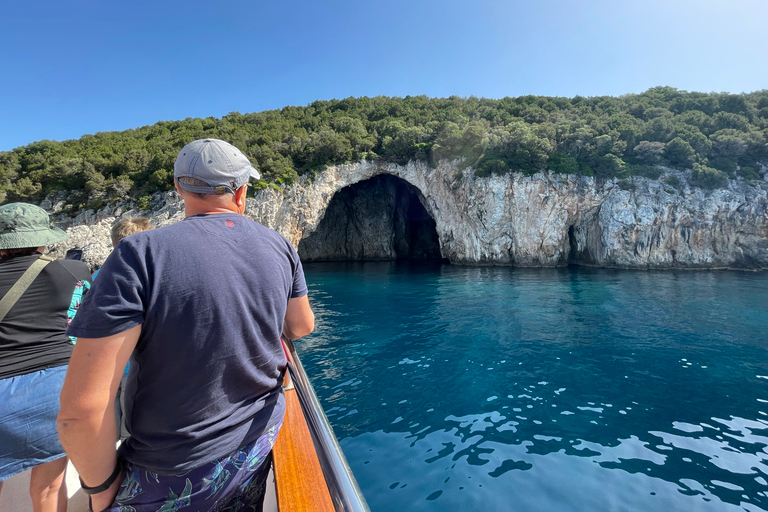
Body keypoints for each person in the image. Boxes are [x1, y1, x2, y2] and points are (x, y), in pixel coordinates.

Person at [58, 138, 315, 512]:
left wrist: (100, 490)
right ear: (242, 191)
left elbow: (79, 412)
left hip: (169, 470)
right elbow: (301, 326)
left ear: (179, 187)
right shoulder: (280, 246)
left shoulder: (138, 253)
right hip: (255, 444)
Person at [0, 202, 92, 512]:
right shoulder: (74, 271)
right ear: (43, 238)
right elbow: (82, 324)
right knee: (50, 488)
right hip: (54, 392)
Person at [93, 217, 154, 441]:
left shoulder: (97, 276)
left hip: (105, 368)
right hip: (135, 367)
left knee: (106, 432)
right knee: (133, 434)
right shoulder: (149, 276)